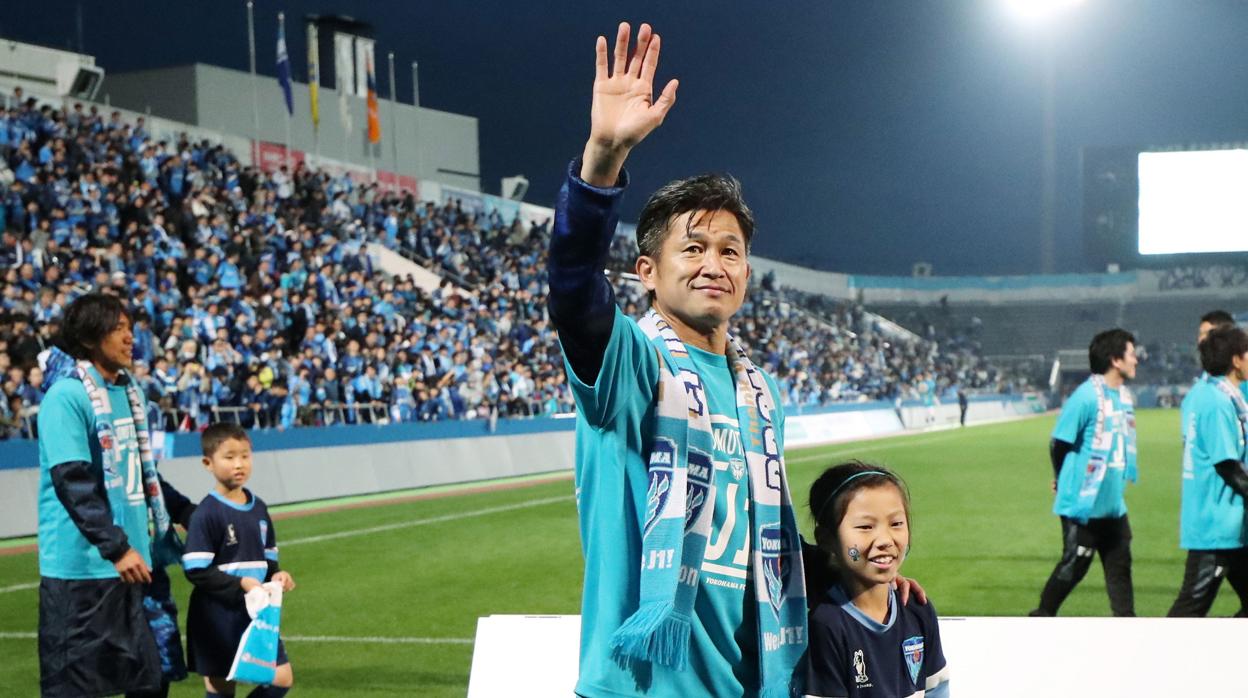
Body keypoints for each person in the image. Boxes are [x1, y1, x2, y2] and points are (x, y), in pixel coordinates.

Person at [548, 22, 922, 697]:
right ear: (647, 273)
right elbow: (573, 293)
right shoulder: (635, 365)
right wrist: (603, 159)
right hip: (643, 685)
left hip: (753, 682)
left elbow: (753, 532)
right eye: (692, 248)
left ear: (748, 272)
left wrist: (852, 566)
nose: (713, 264)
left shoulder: (758, 391)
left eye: (729, 250)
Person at [36, 293, 194, 697]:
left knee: (151, 682)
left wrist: (188, 512)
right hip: (82, 575)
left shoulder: (131, 392)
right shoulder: (65, 397)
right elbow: (73, 480)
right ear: (90, 338)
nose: (130, 338)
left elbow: (143, 473)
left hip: (137, 568)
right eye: (118, 329)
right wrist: (116, 548)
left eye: (130, 328)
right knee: (75, 688)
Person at [805, 462, 949, 697]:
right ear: (826, 538)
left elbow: (937, 689)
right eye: (865, 526)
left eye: (896, 524)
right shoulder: (827, 624)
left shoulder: (917, 609)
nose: (884, 539)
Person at [182, 422, 296, 697]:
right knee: (222, 686)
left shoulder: (259, 508)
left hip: (256, 612)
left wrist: (277, 577)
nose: (239, 464)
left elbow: (269, 560)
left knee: (281, 679)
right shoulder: (206, 513)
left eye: (245, 455)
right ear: (208, 463)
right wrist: (242, 583)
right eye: (229, 457)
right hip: (217, 615)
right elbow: (196, 570)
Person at [1031, 329, 1138, 617]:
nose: (1136, 359)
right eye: (1131, 353)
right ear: (1116, 360)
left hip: (1113, 507)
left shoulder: (1123, 396)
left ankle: (1128, 626)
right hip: (1083, 504)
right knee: (1073, 567)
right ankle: (1040, 617)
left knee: (1120, 571)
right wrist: (1062, 476)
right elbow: (1059, 443)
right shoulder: (1086, 397)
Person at [1167, 325, 1248, 617]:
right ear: (1237, 360)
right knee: (1189, 611)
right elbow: (1227, 465)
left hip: (1231, 522)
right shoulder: (1215, 401)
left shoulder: (1223, 395)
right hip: (1215, 524)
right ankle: (1151, 659)